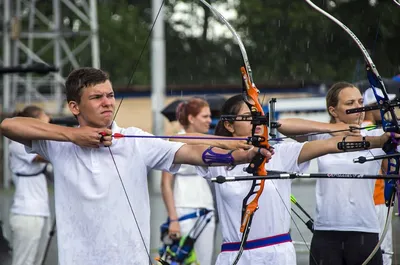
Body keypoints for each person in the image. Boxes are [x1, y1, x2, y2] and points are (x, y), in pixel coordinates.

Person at [0, 67, 273, 265]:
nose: (107, 102)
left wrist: (237, 156)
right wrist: (73, 135)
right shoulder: (58, 144)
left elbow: (191, 152)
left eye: (110, 95)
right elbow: (8, 126)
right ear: (75, 107)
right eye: (97, 97)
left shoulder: (134, 140)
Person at [195, 93, 395, 265]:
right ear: (229, 124)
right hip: (235, 254)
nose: (257, 123)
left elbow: (332, 145)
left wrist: (378, 141)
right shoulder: (218, 159)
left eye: (260, 117)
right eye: (248, 118)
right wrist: (230, 147)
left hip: (278, 254)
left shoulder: (281, 152)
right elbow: (175, 140)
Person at [277, 81, 389, 265]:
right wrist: (330, 129)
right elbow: (282, 124)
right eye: (350, 103)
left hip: (364, 230)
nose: (358, 108)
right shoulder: (320, 137)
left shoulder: (378, 136)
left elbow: (391, 170)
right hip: (326, 231)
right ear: (333, 110)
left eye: (360, 102)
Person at [161, 98, 216, 265]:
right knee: (181, 260)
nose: (209, 120)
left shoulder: (210, 140)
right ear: (191, 118)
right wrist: (173, 219)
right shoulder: (175, 141)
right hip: (183, 208)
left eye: (210, 116)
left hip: (207, 207)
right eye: (205, 116)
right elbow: (165, 183)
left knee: (204, 261)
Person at [8, 106, 52, 265]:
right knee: (23, 262)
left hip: (42, 211)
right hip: (26, 212)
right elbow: (43, 157)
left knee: (38, 261)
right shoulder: (18, 143)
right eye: (45, 117)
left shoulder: (40, 142)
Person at [363, 87, 395, 265]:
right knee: (385, 251)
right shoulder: (375, 132)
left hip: (370, 202)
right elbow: (388, 167)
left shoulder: (368, 131)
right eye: (382, 106)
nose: (386, 110)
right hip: (376, 200)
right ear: (371, 107)